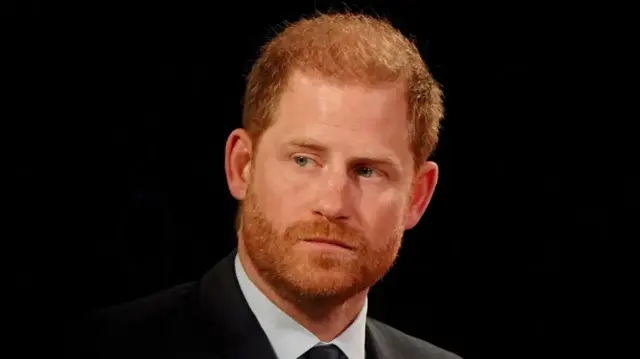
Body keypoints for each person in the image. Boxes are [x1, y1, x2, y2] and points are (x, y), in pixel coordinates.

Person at [67, 11, 463, 359]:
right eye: (304, 160)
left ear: (418, 196)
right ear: (242, 166)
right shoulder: (102, 346)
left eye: (367, 171)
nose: (332, 202)